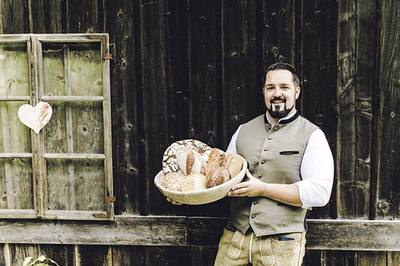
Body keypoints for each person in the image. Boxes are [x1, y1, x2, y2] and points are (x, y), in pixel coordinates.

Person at [213, 62, 334, 265]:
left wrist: (263, 189)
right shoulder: (243, 131)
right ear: (264, 92)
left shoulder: (312, 135)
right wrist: (187, 195)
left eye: (284, 87)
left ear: (296, 92)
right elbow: (222, 180)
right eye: (271, 88)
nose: (277, 93)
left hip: (282, 244)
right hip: (234, 239)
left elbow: (320, 193)